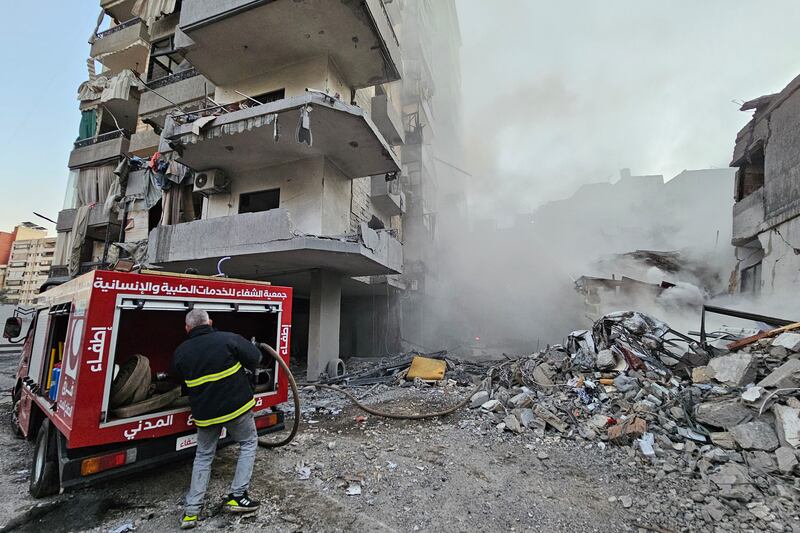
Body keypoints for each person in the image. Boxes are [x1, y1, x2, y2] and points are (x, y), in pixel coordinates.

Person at [172, 309, 264, 529]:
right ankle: (238, 496)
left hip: (205, 414)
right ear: (210, 322)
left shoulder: (181, 352)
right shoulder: (227, 339)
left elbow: (177, 378)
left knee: (203, 455)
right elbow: (256, 358)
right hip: (236, 408)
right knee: (249, 444)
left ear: (187, 328)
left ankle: (191, 512)